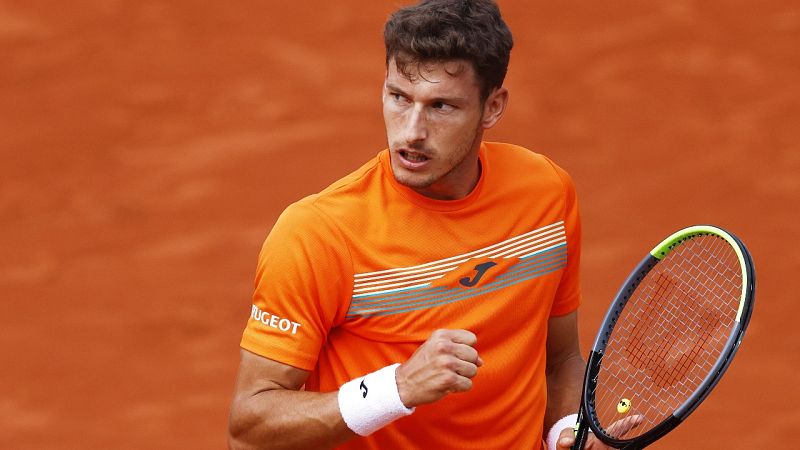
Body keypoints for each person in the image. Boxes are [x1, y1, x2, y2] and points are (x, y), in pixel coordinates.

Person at [228, 1, 623, 448]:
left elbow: (560, 358)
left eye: (441, 106)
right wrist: (395, 389)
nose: (411, 131)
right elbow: (249, 430)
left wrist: (564, 432)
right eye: (398, 97)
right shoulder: (317, 234)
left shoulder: (546, 195)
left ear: (492, 107)